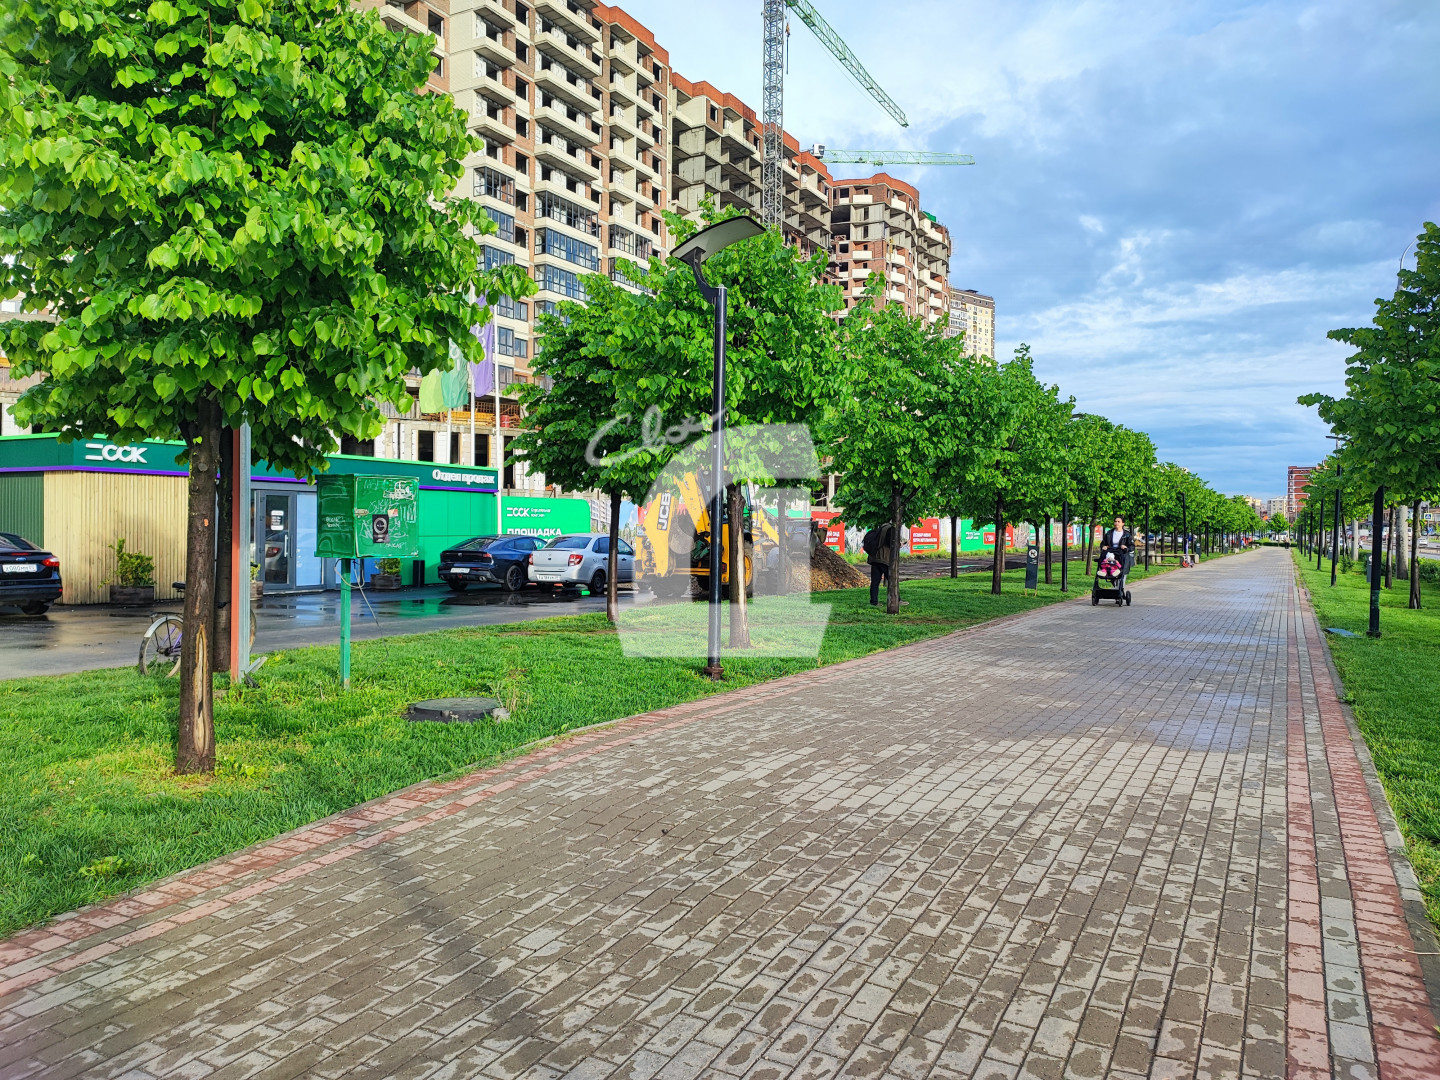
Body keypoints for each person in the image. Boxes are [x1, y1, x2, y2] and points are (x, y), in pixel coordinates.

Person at [862, 522, 897, 606]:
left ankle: (874, 601)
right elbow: (891, 543)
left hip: (874, 559)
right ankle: (896, 600)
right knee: (892, 580)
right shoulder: (889, 529)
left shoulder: (878, 530)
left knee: (875, 582)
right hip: (883, 559)